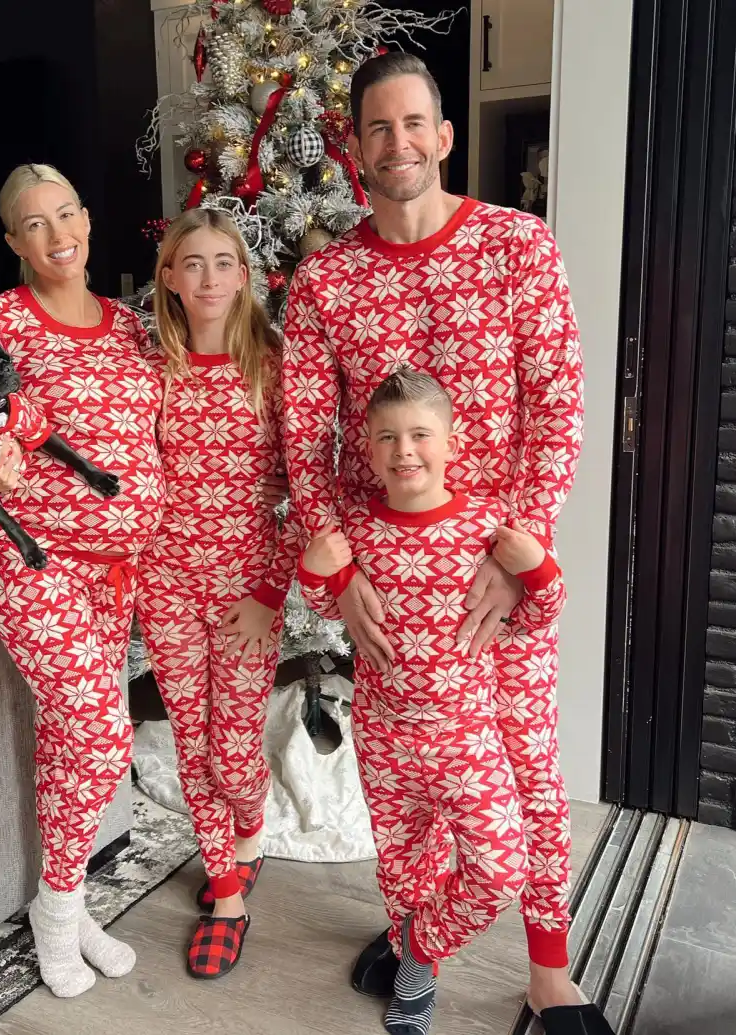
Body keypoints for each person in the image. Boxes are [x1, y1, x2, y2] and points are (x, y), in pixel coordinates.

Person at [282, 51, 592, 1020]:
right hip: (390, 589)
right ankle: (421, 951)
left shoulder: (517, 245)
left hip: (498, 576)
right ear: (355, 151)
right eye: (378, 128)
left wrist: (522, 549)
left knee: (531, 774)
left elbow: (558, 404)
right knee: (406, 794)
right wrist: (336, 579)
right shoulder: (326, 283)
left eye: (415, 123)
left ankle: (550, 974)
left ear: (444, 137)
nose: (398, 142)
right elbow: (305, 438)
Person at [0, 163, 166, 998]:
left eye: (66, 214)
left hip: (115, 574)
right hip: (39, 565)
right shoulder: (0, 320)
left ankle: (63, 900)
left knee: (72, 740)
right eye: (35, 223)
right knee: (100, 735)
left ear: (88, 220)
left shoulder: (132, 328)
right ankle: (59, 911)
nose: (57, 234)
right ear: (13, 242)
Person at [297, 368, 566, 1035]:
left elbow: (535, 616)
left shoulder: (488, 529)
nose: (404, 450)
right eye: (387, 436)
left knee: (502, 868)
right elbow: (328, 607)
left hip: (467, 738)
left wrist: (538, 566)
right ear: (366, 446)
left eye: (420, 434)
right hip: (385, 740)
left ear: (452, 441)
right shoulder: (355, 530)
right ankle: (418, 976)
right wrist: (313, 566)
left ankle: (418, 948)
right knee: (404, 872)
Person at [133, 208, 304, 978]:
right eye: (191, 263)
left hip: (246, 590)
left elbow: (306, 493)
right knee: (191, 739)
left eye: (223, 262)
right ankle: (227, 888)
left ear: (245, 274)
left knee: (234, 751)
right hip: (166, 583)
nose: (208, 277)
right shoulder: (148, 368)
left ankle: (249, 830)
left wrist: (271, 591)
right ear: (168, 277)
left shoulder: (273, 366)